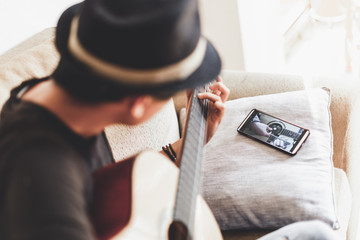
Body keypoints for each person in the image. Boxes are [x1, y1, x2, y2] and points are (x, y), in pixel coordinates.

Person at [0, 0, 335, 239]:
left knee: (317, 233)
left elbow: (112, 192)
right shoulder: (43, 189)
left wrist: (189, 141)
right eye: (173, 90)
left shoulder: (62, 101)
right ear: (137, 104)